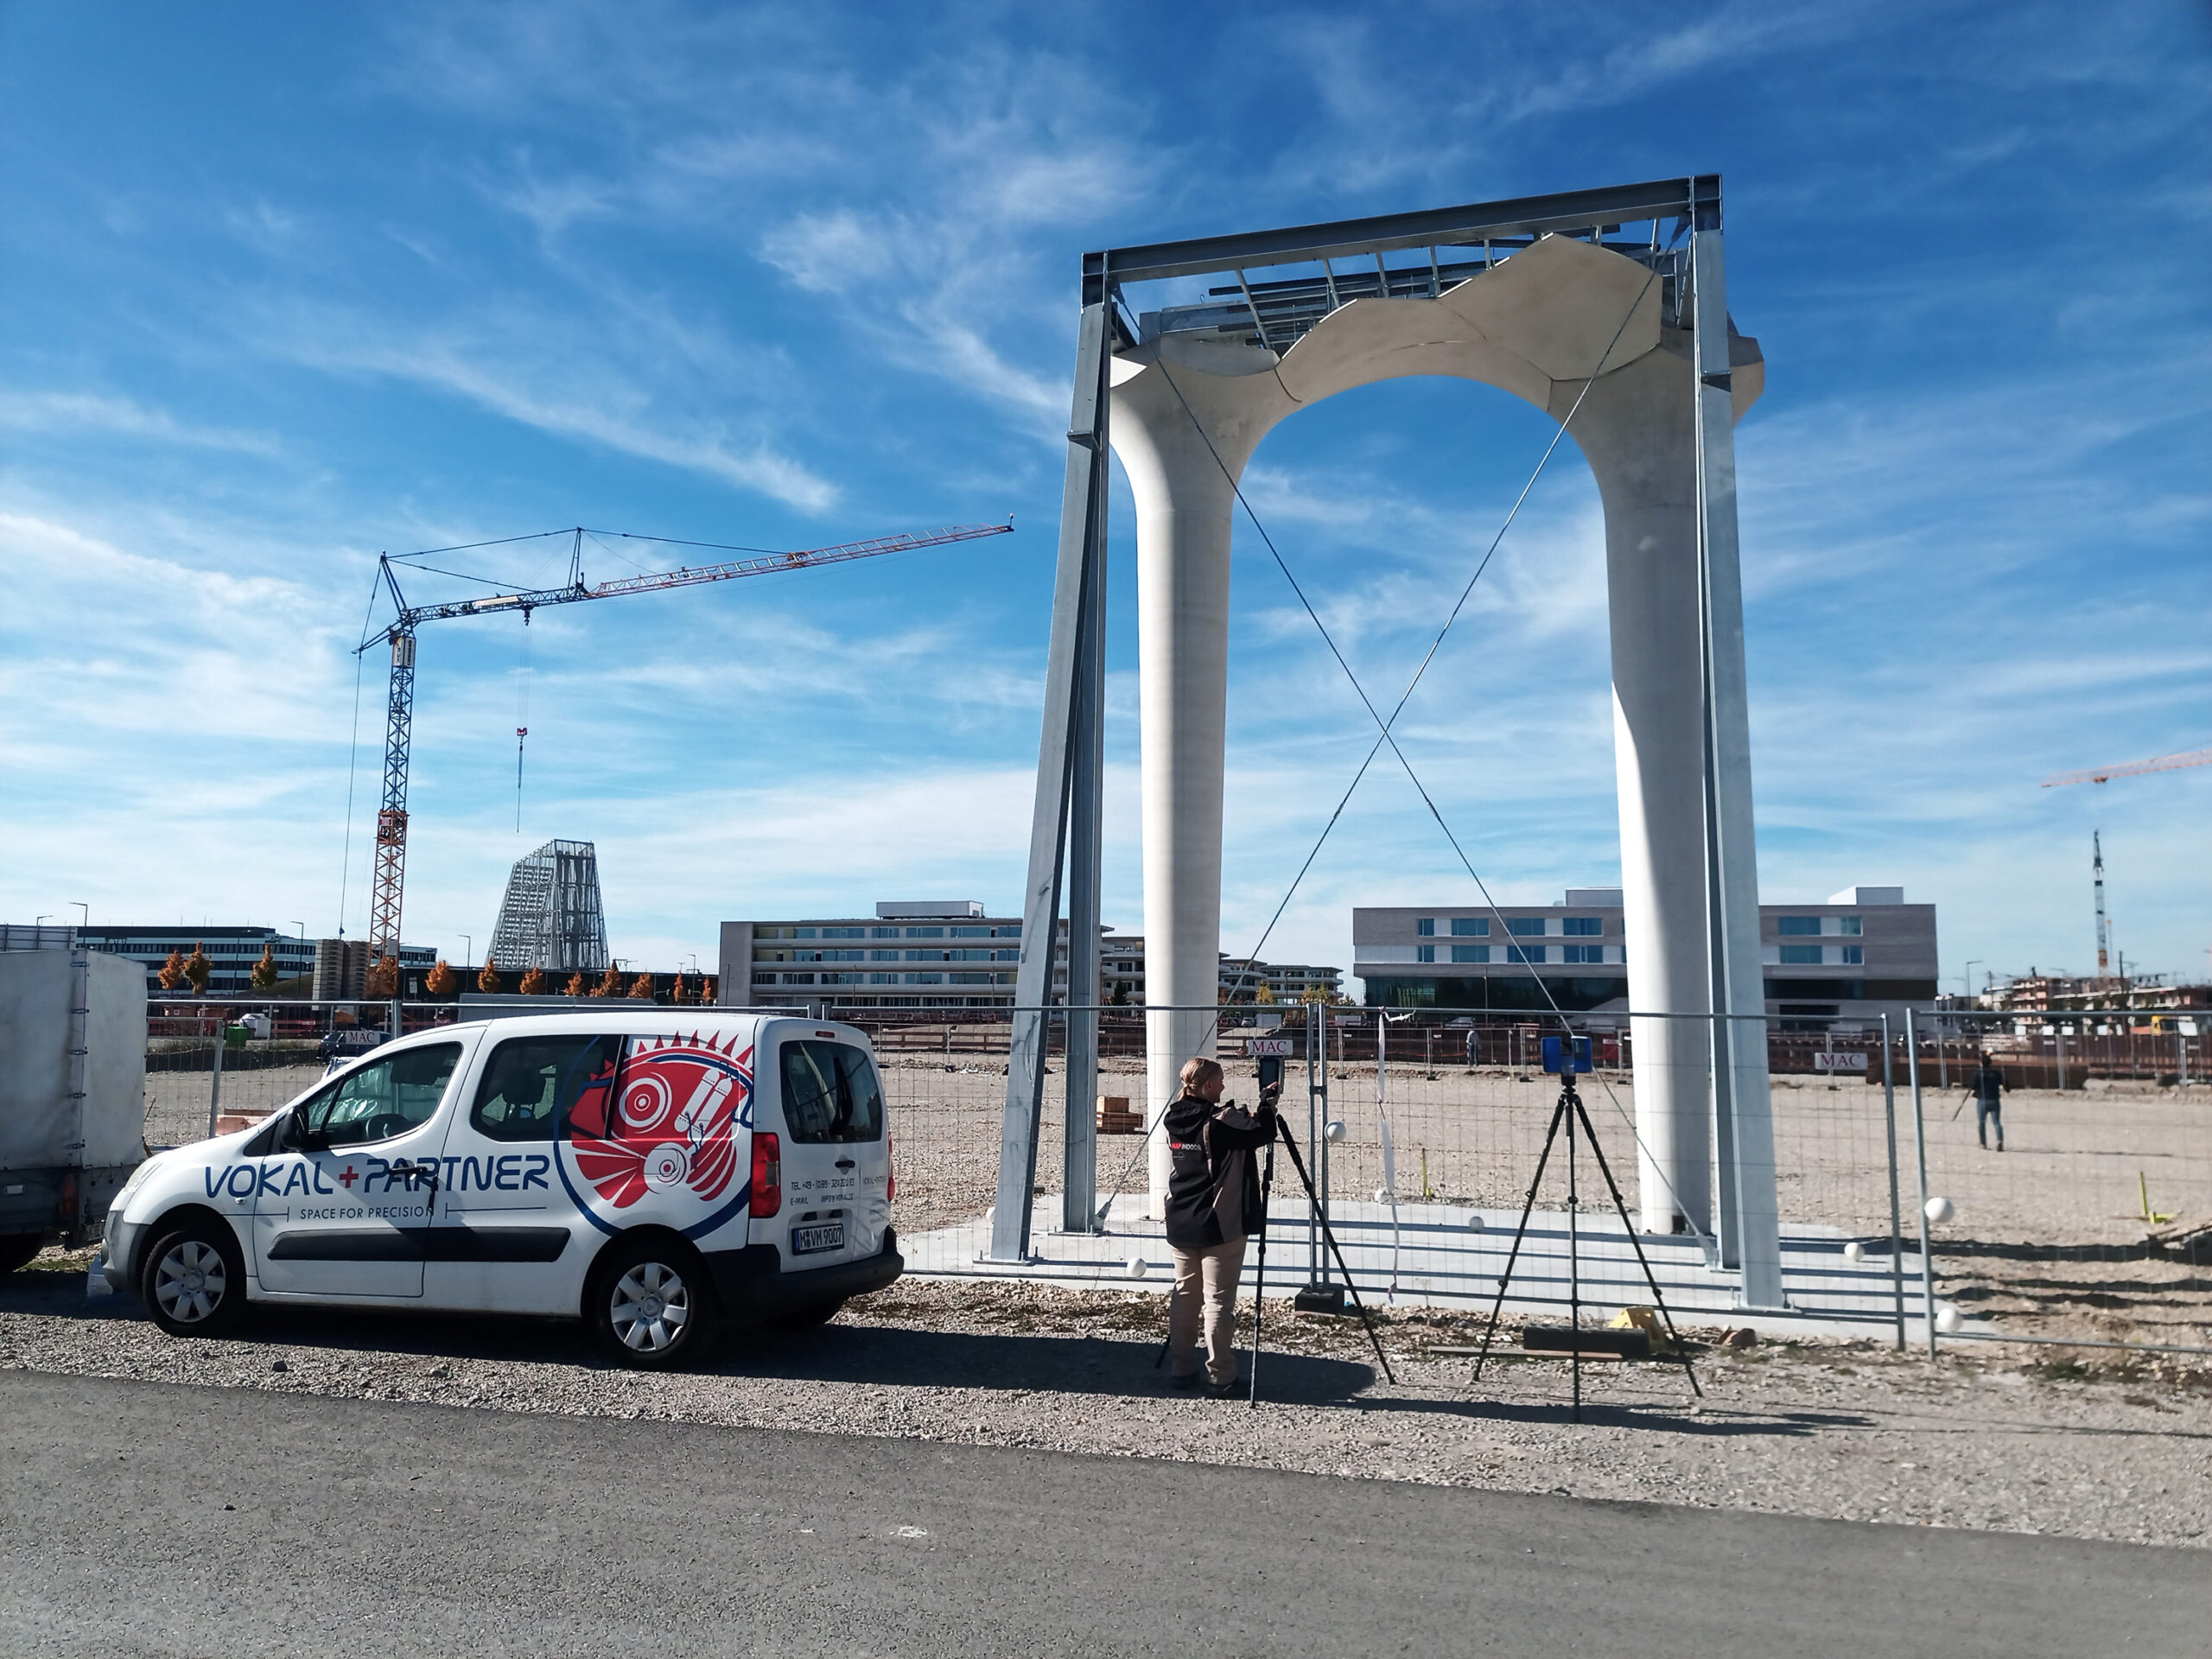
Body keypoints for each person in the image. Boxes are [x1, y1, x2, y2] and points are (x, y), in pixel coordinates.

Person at [1162, 1056, 1279, 1397]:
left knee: (1185, 1296)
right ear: (1209, 1085)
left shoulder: (1174, 1117)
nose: (1224, 1086)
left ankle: (1181, 1368)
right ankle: (1220, 1375)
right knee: (1218, 1301)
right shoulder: (1221, 1122)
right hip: (1218, 1221)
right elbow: (1263, 1132)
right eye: (1221, 1080)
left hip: (1181, 1218)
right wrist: (1267, 1103)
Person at [1964, 1050, 2005, 1150]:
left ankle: (1983, 1143)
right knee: (1997, 1122)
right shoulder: (1996, 1073)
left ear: (1981, 1063)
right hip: (1994, 1099)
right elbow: (2002, 1083)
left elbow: (1973, 1086)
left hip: (1982, 1100)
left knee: (1982, 1122)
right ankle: (2000, 1140)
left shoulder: (1978, 1073)